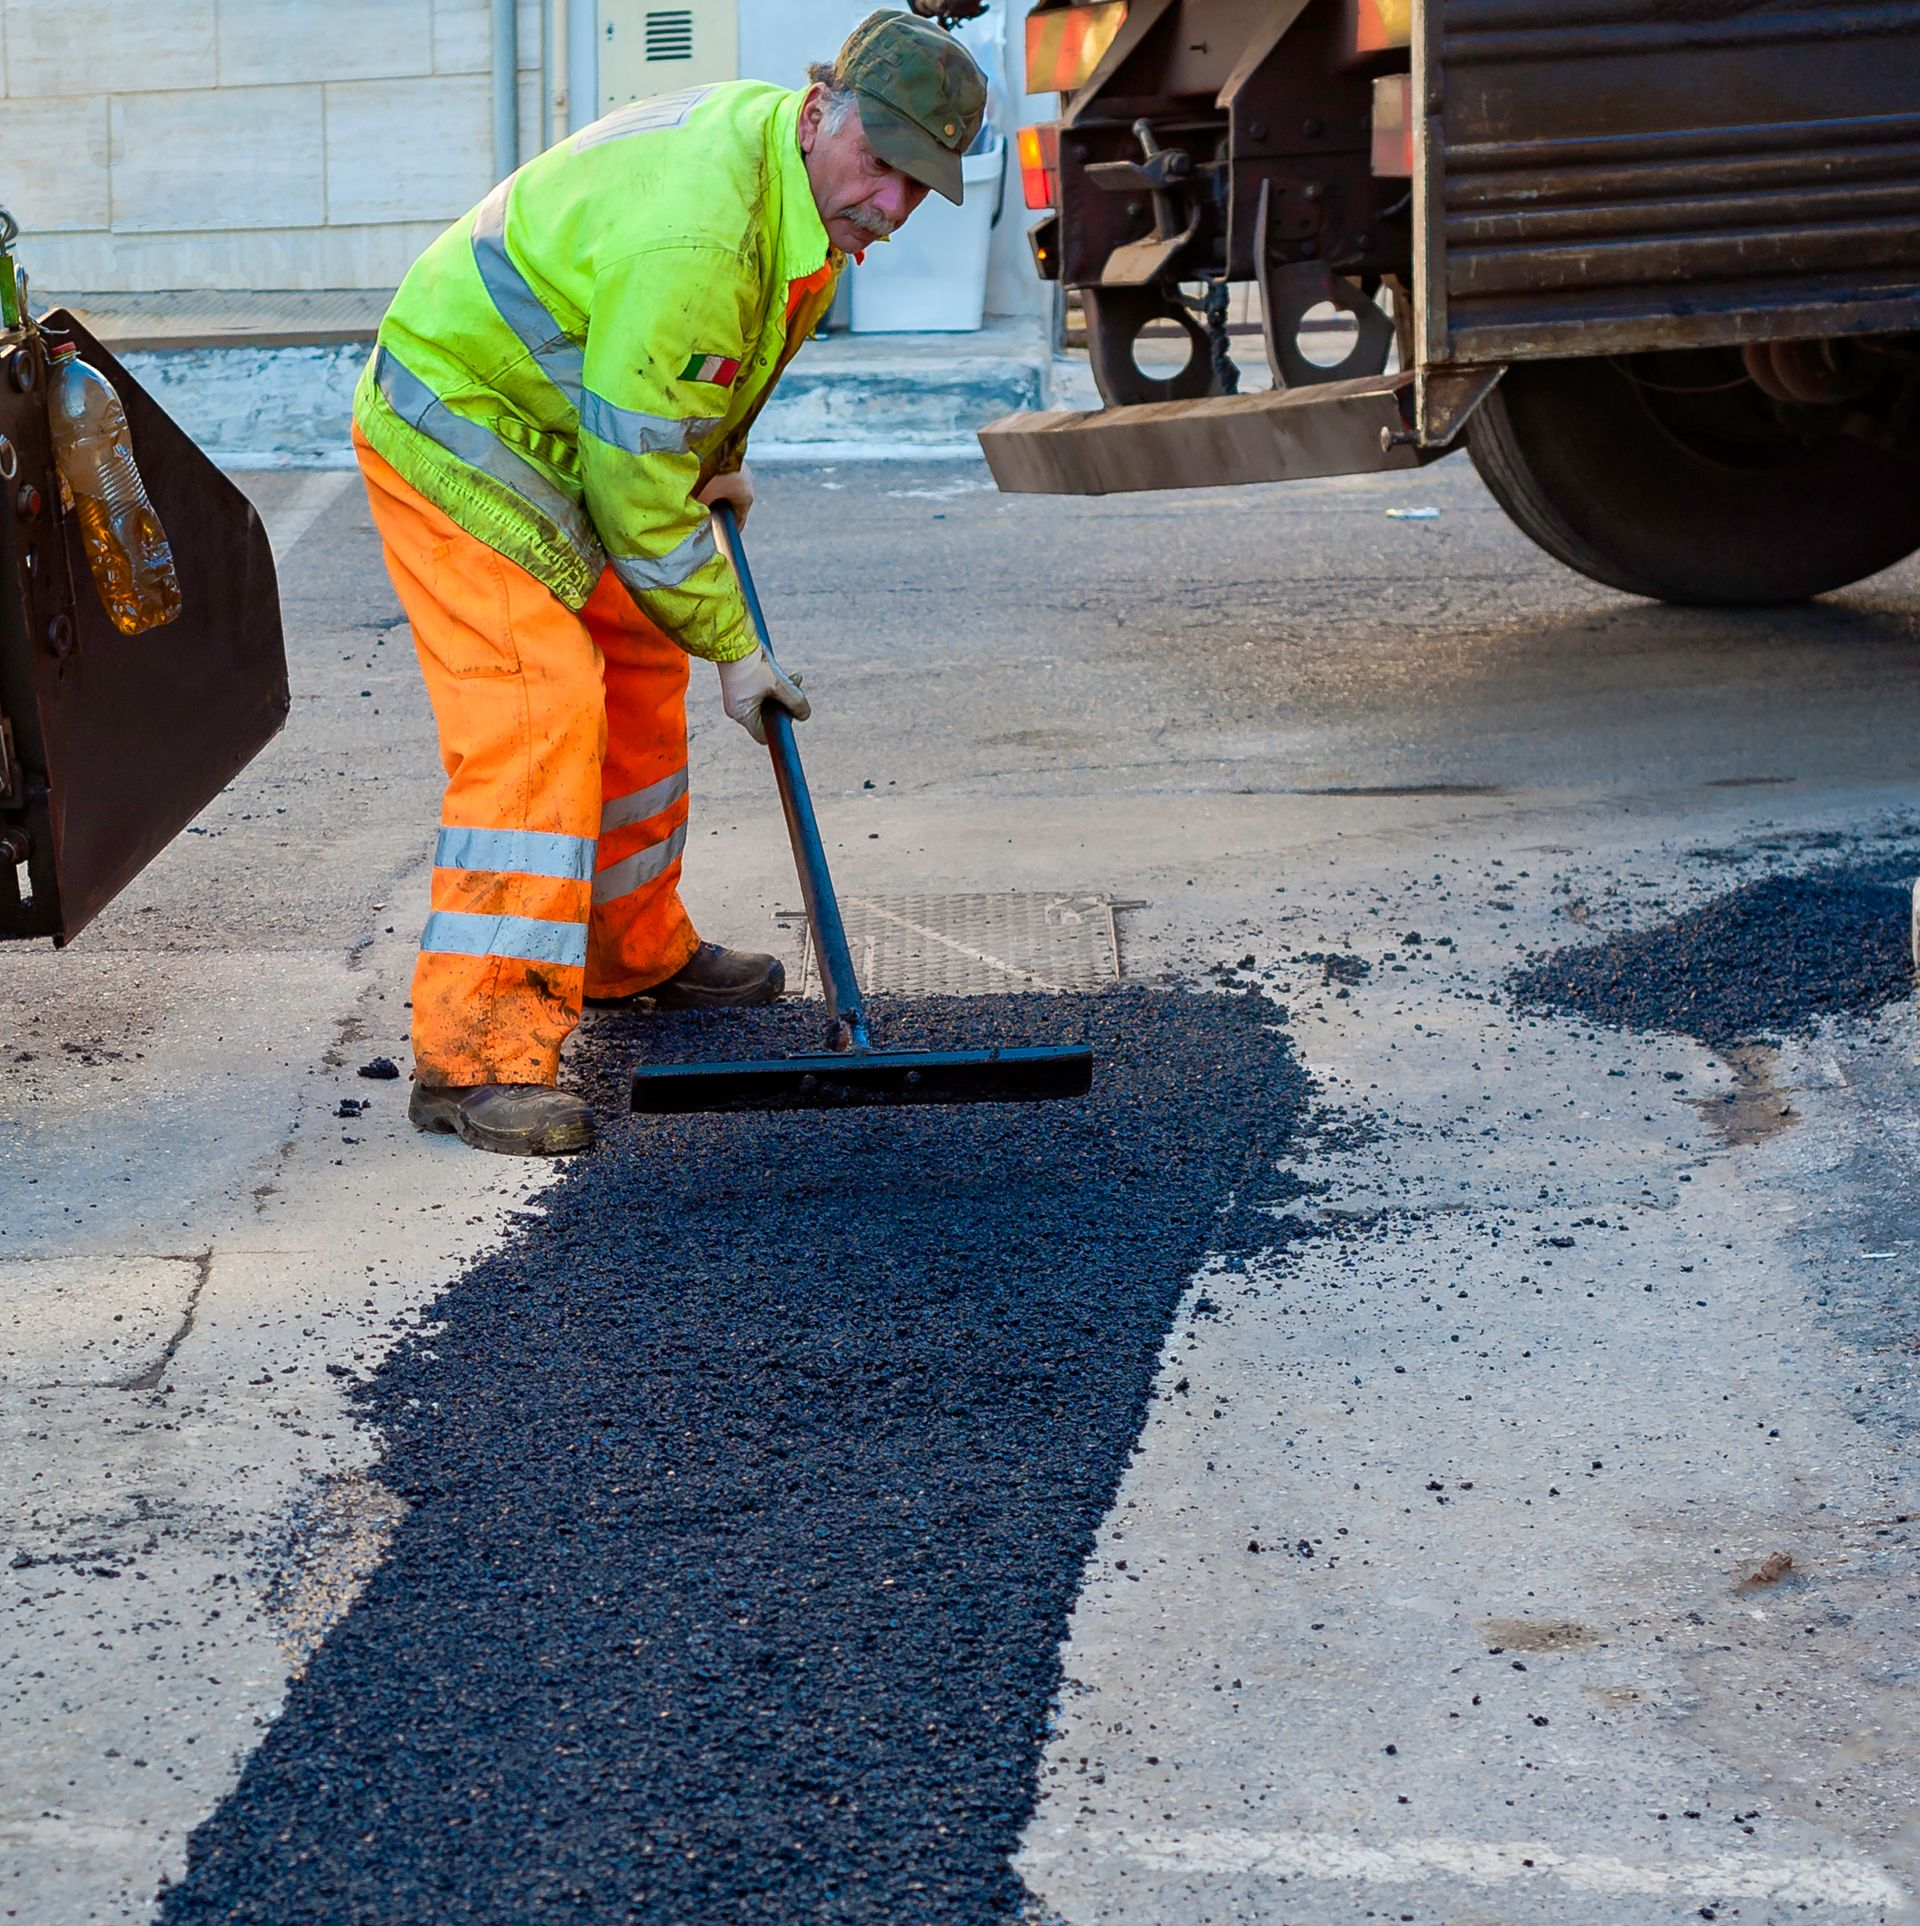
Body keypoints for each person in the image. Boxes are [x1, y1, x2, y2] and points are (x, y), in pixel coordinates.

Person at [351, 11, 986, 1156]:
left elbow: (707, 381)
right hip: (462, 433)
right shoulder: (701, 236)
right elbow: (641, 488)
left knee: (640, 662)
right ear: (821, 109)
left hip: (576, 438)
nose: (890, 206)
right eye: (880, 165)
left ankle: (625, 951)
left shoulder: (795, 186)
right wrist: (740, 649)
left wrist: (717, 458)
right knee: (536, 711)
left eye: (917, 188)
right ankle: (474, 1058)